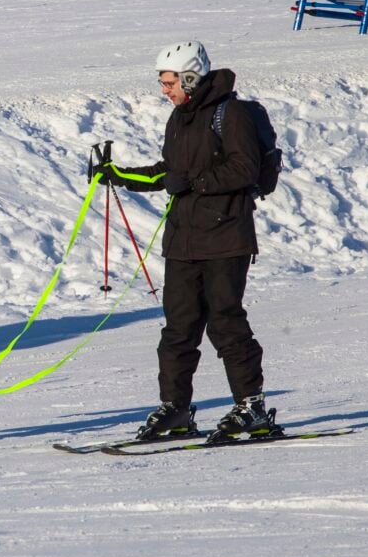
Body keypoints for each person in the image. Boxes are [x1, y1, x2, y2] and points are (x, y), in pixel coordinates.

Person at [94, 41, 275, 439]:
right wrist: (120, 176)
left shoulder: (232, 114)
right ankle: (175, 408)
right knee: (178, 329)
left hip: (227, 237)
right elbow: (168, 173)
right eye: (162, 82)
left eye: (170, 82)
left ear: (191, 78)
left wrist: (194, 182)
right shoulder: (179, 119)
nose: (165, 89)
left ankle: (252, 407)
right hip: (183, 242)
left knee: (226, 323)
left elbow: (243, 168)